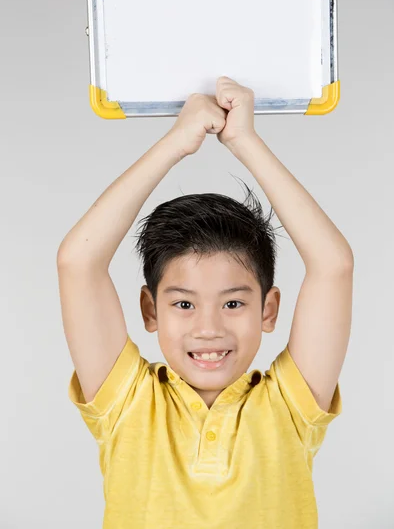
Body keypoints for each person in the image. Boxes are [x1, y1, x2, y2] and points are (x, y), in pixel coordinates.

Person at [57, 76, 353, 529]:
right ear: (150, 310)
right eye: (184, 304)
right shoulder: (126, 403)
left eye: (233, 304)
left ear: (268, 310)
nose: (208, 327)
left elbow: (333, 265)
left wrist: (245, 142)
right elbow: (78, 262)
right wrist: (177, 142)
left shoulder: (292, 406)